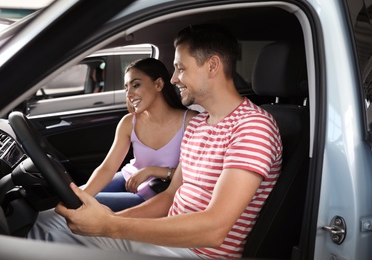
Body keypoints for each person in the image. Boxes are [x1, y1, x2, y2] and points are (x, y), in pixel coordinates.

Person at [27, 24, 282, 259]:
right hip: (169, 242)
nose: (173, 79)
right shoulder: (198, 125)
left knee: (52, 233)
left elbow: (214, 229)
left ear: (212, 66)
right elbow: (170, 197)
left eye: (181, 68)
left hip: (197, 253)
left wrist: (112, 226)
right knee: (52, 221)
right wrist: (108, 222)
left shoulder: (252, 127)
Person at [84, 57, 197, 211]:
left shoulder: (190, 121)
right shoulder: (129, 122)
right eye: (126, 88)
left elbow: (196, 174)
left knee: (89, 204)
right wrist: (80, 196)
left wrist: (151, 170)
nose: (129, 94)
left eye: (136, 85)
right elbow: (108, 168)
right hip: (129, 178)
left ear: (158, 84)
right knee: (77, 196)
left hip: (157, 193)